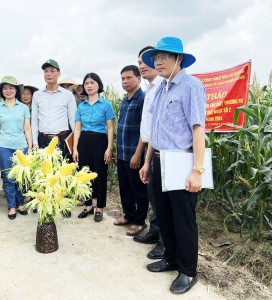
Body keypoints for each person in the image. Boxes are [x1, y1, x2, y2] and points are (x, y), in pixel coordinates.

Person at [139, 36, 206, 294]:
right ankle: (170, 257)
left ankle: (188, 271)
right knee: (164, 215)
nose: (158, 61)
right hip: (159, 161)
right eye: (156, 57)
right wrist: (147, 163)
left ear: (179, 59)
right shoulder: (162, 89)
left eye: (164, 56)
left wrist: (197, 170)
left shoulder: (191, 86)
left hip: (180, 161)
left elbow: (198, 129)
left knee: (183, 219)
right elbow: (156, 131)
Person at [31, 59, 77, 217]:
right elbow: (34, 121)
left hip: (61, 139)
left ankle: (61, 203)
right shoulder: (37, 95)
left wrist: (75, 145)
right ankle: (43, 201)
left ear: (58, 73)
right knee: (43, 172)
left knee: (61, 173)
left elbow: (73, 121)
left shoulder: (68, 95)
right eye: (46, 71)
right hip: (43, 139)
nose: (49, 74)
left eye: (52, 71)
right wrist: (35, 142)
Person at [133, 46, 165, 260]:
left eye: (145, 61)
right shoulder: (151, 89)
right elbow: (148, 128)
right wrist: (145, 158)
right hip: (152, 149)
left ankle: (165, 242)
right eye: (139, 63)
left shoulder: (163, 87)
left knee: (164, 201)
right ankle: (155, 231)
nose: (142, 65)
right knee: (153, 196)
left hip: (165, 152)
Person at [72, 73, 115, 222]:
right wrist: (75, 148)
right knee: (84, 174)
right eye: (86, 83)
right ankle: (88, 204)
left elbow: (110, 128)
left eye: (92, 82)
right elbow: (77, 128)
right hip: (84, 141)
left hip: (100, 141)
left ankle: (100, 207)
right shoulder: (81, 106)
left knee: (100, 175)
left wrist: (109, 148)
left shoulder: (106, 105)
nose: (89, 86)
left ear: (98, 85)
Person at [113, 65, 149, 236]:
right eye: (122, 78)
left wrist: (137, 154)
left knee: (138, 190)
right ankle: (129, 215)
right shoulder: (125, 101)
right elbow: (121, 128)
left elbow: (144, 130)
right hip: (122, 152)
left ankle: (140, 221)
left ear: (138, 79)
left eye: (128, 78)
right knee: (125, 188)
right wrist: (117, 150)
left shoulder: (143, 99)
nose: (125, 81)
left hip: (135, 154)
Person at [0, 76, 32, 220]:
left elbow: (27, 128)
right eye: (5, 88)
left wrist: (30, 146)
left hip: (22, 146)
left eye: (11, 88)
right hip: (4, 146)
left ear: (16, 90)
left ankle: (21, 203)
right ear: (1, 91)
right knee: (8, 178)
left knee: (21, 177)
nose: (8, 91)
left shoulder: (23, 108)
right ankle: (12, 206)